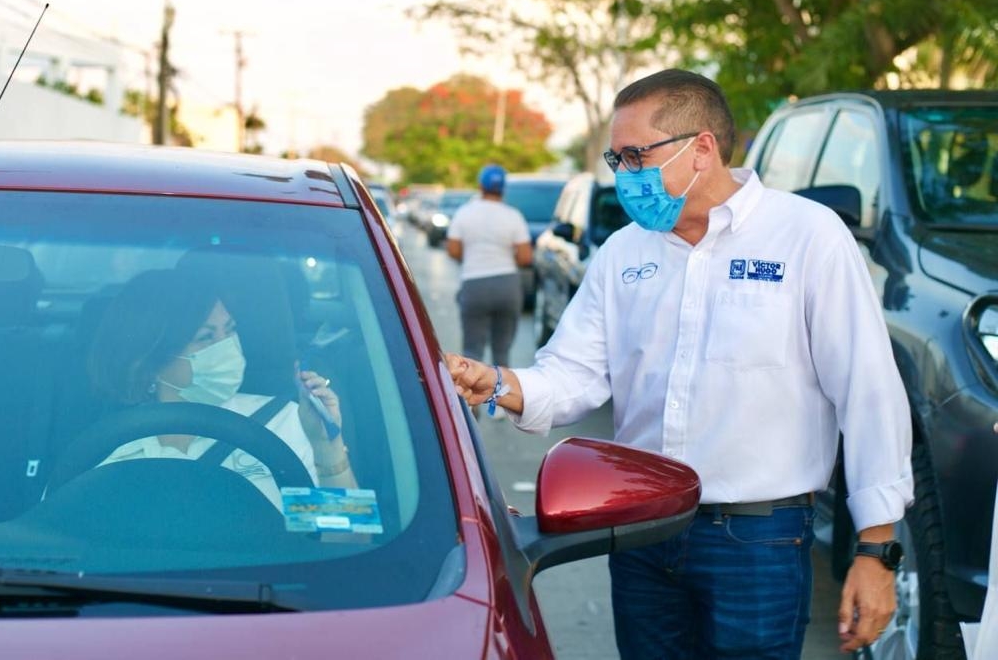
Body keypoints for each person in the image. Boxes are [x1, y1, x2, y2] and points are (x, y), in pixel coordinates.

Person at [447, 69, 913, 658]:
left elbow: (869, 392)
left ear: (702, 149)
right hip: (641, 532)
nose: (625, 176)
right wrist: (495, 383)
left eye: (637, 155)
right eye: (617, 160)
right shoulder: (624, 253)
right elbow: (571, 375)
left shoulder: (806, 238)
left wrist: (876, 549)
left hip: (757, 540)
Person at [87, 268, 356, 508]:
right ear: (151, 362)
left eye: (230, 330)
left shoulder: (286, 422)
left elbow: (348, 537)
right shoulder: (113, 450)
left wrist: (327, 447)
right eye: (205, 337)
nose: (226, 345)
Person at [446, 164, 533, 369]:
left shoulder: (464, 213)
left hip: (474, 284)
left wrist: (471, 256)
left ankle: (471, 401)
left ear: (480, 186)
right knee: (502, 352)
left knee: (472, 351)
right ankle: (503, 399)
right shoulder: (513, 216)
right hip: (507, 286)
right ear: (503, 188)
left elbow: (453, 250)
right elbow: (525, 257)